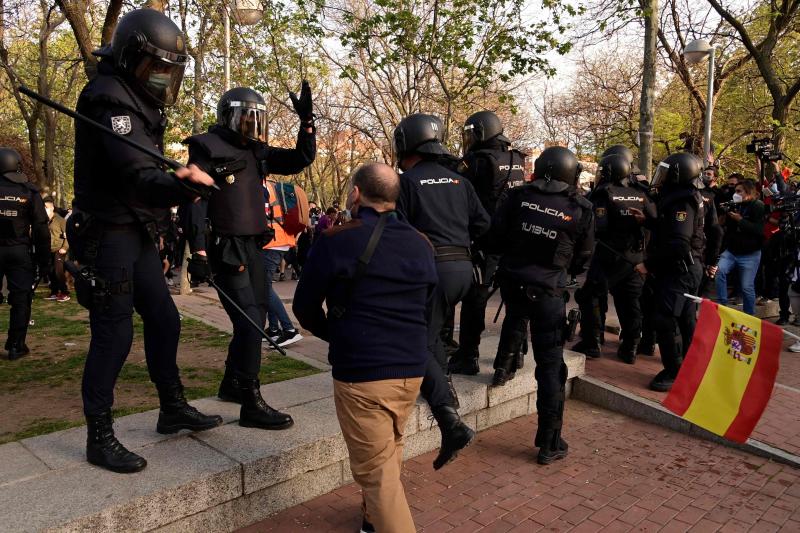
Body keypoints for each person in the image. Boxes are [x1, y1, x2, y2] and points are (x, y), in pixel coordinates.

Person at [69, 8, 222, 473]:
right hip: (108, 235)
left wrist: (176, 181)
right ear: (132, 58)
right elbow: (138, 176)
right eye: (156, 67)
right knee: (113, 335)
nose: (161, 78)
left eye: (168, 71)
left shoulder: (137, 100)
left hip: (135, 232)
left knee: (164, 319)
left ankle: (171, 407)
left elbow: (148, 172)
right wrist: (184, 185)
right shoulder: (108, 99)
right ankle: (99, 436)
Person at [294, 163, 437, 533]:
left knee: (378, 475)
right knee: (389, 451)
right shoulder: (421, 243)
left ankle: (382, 519)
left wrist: (337, 334)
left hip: (363, 374)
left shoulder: (336, 240)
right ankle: (373, 520)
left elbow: (305, 308)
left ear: (355, 193)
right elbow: (428, 304)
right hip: (411, 368)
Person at [184, 84, 314, 428]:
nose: (251, 125)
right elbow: (194, 201)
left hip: (256, 246)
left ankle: (232, 383)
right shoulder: (206, 147)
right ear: (229, 117)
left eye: (256, 119)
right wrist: (198, 250)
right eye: (245, 118)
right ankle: (251, 402)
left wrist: (307, 123)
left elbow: (300, 159)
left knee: (255, 316)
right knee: (250, 323)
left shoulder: (258, 151)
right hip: (226, 248)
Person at [488, 146, 594, 464]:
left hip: (514, 285)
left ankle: (503, 368)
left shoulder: (517, 196)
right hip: (548, 293)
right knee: (550, 367)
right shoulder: (580, 207)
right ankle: (549, 442)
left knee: (515, 320)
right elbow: (584, 255)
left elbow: (496, 237)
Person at [395, 113, 488, 469]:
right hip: (463, 270)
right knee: (431, 332)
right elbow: (484, 224)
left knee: (413, 340)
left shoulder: (406, 183)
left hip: (430, 270)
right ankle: (443, 388)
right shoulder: (460, 182)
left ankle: (449, 418)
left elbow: (397, 231)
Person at [448, 110, 527, 376]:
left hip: (486, 240)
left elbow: (459, 193)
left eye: (471, 134)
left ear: (482, 132)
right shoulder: (516, 158)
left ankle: (468, 355)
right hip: (514, 240)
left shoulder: (477, 161)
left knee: (476, 298)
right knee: (515, 300)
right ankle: (516, 354)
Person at [575, 153, 655, 364]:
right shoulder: (640, 192)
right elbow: (653, 219)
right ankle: (630, 347)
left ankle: (592, 342)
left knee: (589, 296)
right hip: (635, 257)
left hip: (609, 256)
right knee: (630, 302)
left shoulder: (604, 193)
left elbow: (597, 227)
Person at [644, 153, 707, 391]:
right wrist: (647, 222)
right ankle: (690, 366)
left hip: (680, 270)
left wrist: (648, 265)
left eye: (666, 172)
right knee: (686, 319)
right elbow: (670, 227)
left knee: (666, 319)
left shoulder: (683, 201)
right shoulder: (684, 196)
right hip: (687, 269)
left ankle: (674, 371)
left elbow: (679, 242)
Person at [0, 147, 49, 360]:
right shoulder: (28, 191)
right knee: (21, 298)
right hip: (19, 251)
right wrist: (44, 261)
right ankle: (16, 345)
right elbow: (41, 229)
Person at [263, 178, 306, 346]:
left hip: (273, 241)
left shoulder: (262, 186)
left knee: (263, 287)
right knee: (266, 285)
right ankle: (274, 329)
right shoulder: (272, 185)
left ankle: (289, 330)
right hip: (280, 239)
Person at [715, 179, 765, 316]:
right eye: (735, 191)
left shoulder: (758, 206)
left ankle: (749, 316)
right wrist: (724, 214)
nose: (735, 194)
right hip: (732, 251)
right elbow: (722, 225)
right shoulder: (736, 205)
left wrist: (740, 220)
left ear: (748, 192)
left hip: (750, 253)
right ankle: (722, 306)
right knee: (719, 271)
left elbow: (759, 230)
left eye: (739, 191)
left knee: (746, 286)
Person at [43, 196, 70, 302]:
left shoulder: (60, 220)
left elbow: (68, 235)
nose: (44, 209)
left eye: (46, 207)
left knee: (58, 271)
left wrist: (64, 247)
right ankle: (54, 292)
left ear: (52, 208)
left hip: (59, 249)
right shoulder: (44, 220)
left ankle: (64, 292)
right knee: (50, 271)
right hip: (48, 249)